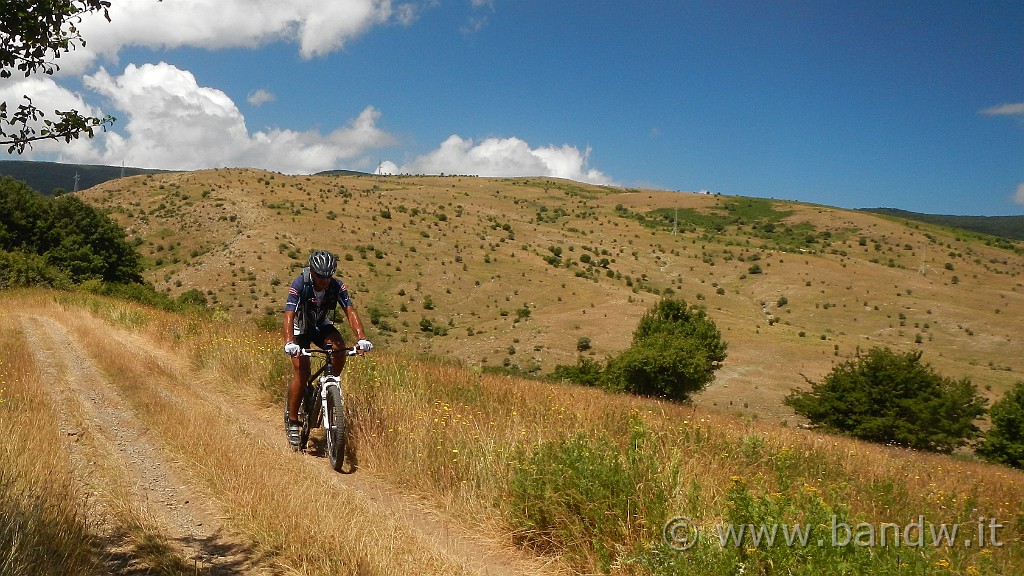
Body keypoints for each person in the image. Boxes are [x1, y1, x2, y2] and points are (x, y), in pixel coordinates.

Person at [282, 249, 372, 449]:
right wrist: (290, 342)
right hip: (300, 329)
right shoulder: (300, 284)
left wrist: (361, 338)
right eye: (320, 276)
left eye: (328, 276)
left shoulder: (337, 286)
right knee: (302, 372)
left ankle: (329, 387)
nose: (324, 280)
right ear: (312, 272)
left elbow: (349, 310)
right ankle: (293, 421)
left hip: (320, 325)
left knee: (339, 349)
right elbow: (289, 314)